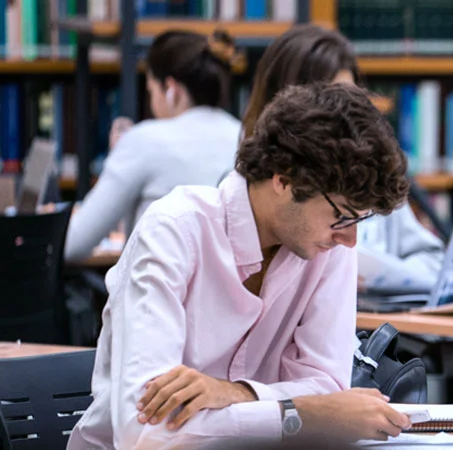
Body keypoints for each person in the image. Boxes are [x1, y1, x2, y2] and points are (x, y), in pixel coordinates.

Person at [67, 83, 414, 449]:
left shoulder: (327, 245)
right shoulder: (174, 230)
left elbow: (326, 390)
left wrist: (233, 393)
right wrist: (301, 415)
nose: (350, 239)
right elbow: (146, 435)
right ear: (284, 180)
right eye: (342, 216)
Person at [241, 24, 443, 289]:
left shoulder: (371, 178)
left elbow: (435, 264)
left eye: (350, 98)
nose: (343, 115)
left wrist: (380, 274)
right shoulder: (252, 193)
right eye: (325, 100)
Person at [64, 30, 242, 261]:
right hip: (230, 294)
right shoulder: (247, 135)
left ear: (171, 89)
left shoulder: (145, 140)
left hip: (160, 292)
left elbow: (74, 244)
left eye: (151, 90)